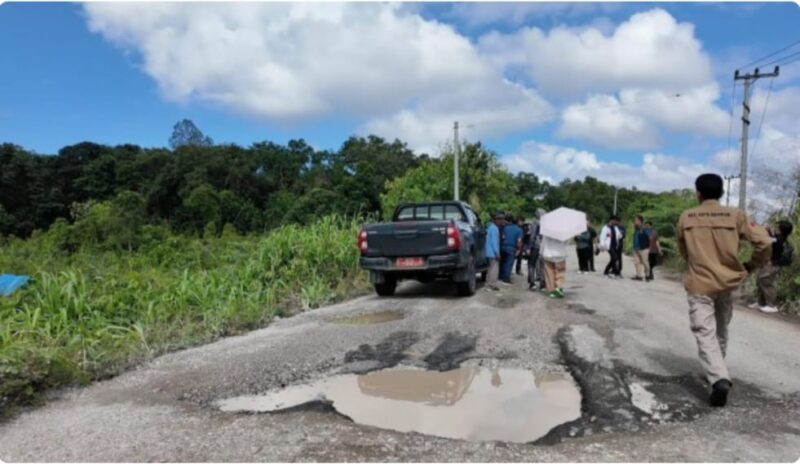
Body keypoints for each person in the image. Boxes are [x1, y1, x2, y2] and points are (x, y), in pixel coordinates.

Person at [677, 173, 771, 407]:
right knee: (721, 327)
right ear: (721, 193)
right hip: (729, 282)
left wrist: (697, 263)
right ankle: (718, 370)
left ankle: (718, 378)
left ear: (697, 192)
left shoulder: (686, 217)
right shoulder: (736, 215)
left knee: (704, 330)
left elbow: (684, 250)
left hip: (700, 283)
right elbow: (765, 242)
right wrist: (752, 265)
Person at [750, 220, 794, 313]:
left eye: (777, 226)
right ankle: (761, 303)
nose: (775, 227)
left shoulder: (779, 239)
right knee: (761, 281)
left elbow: (767, 240)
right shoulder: (779, 238)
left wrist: (766, 231)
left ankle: (771, 305)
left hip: (772, 264)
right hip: (768, 263)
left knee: (766, 283)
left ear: (781, 229)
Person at [541, 234, 568, 298]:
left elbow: (543, 243)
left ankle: (552, 291)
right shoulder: (563, 232)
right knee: (560, 272)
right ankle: (559, 288)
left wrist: (541, 252)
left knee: (549, 273)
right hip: (560, 254)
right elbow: (566, 242)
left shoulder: (547, 232)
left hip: (548, 254)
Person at [499, 214, 523, 285]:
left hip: (503, 247)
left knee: (503, 262)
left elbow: (502, 237)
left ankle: (501, 276)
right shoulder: (519, 230)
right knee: (509, 264)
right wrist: (519, 249)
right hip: (512, 248)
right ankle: (506, 278)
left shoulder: (505, 228)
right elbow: (519, 241)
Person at [527, 208, 546, 291]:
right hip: (543, 246)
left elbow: (532, 235)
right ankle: (542, 284)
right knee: (542, 265)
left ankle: (532, 283)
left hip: (535, 246)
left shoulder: (535, 222)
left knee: (531, 264)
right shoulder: (546, 223)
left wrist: (528, 247)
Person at [484, 212, 503, 292]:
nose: (502, 221)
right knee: (494, 269)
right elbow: (494, 242)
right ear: (496, 220)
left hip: (489, 251)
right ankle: (492, 284)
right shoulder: (495, 228)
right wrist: (497, 253)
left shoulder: (490, 227)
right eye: (500, 220)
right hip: (493, 252)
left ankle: (490, 284)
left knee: (490, 268)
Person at [632, 215, 651, 281]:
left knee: (645, 262)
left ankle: (648, 275)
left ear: (640, 221)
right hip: (636, 248)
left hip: (644, 248)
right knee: (637, 263)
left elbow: (650, 237)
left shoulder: (645, 229)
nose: (634, 222)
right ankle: (639, 275)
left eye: (636, 220)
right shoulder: (636, 229)